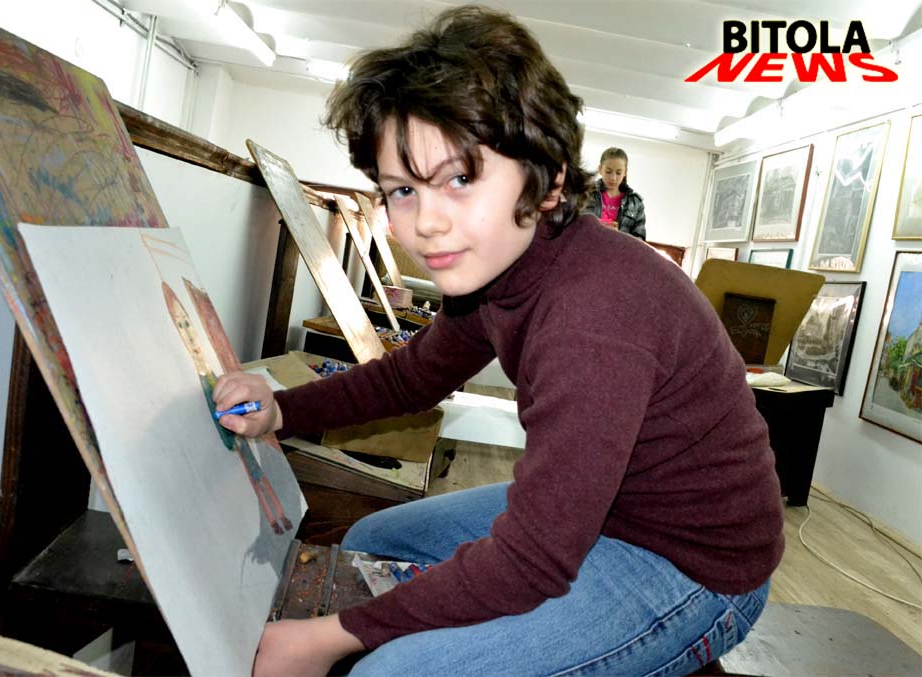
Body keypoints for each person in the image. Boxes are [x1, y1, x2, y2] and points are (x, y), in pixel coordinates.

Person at [214, 6, 783, 676]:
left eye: (461, 179)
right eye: (403, 190)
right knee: (374, 540)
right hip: (607, 512)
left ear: (548, 181)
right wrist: (282, 409)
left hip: (697, 567)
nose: (426, 222)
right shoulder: (498, 268)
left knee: (389, 673)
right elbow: (410, 378)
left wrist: (334, 637)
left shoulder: (593, 315)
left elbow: (534, 559)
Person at [588, 147, 647, 240]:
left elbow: (640, 241)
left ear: (625, 172)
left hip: (619, 249)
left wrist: (618, 236)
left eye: (618, 173)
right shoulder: (586, 194)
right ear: (600, 169)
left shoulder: (635, 203)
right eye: (608, 172)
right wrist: (598, 227)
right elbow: (574, 227)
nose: (613, 178)